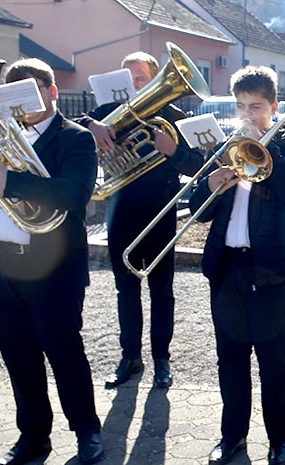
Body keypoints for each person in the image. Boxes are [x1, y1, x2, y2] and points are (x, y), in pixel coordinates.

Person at [0, 58, 104, 465]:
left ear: (53, 92)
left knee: (64, 351)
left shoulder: (74, 138)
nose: (22, 102)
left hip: (51, 270)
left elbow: (74, 196)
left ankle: (86, 429)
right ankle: (33, 436)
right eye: (12, 94)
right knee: (17, 355)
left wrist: (12, 180)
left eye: (32, 91)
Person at [189, 65, 285, 465]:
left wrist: (267, 148)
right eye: (241, 106)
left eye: (255, 107)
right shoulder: (225, 146)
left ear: (273, 106)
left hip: (271, 269)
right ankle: (232, 436)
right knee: (230, 357)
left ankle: (280, 439)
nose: (247, 115)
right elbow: (196, 211)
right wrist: (209, 185)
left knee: (274, 359)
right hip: (228, 267)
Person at [78, 52, 204, 390]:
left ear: (154, 80)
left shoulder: (173, 116)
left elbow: (197, 165)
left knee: (162, 290)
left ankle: (162, 359)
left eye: (140, 77)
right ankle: (130, 357)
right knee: (125, 290)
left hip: (160, 211)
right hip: (121, 212)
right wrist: (92, 125)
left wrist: (171, 150)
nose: (135, 83)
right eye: (128, 78)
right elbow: (71, 125)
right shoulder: (106, 113)